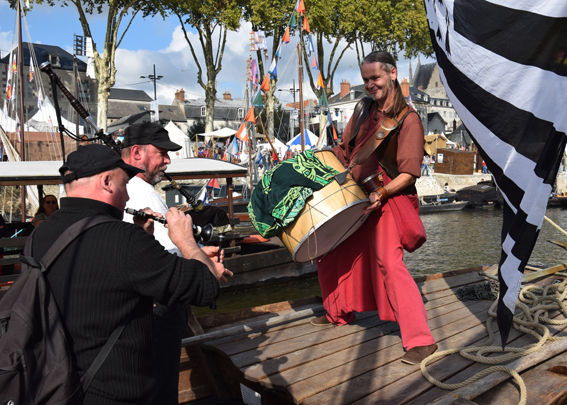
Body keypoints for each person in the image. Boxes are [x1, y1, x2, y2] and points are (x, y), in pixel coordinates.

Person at [31, 144, 230, 404]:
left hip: (58, 387)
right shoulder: (123, 240)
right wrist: (186, 240)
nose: (126, 198)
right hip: (120, 393)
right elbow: (204, 287)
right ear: (106, 181)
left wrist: (144, 236)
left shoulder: (40, 235)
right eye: (124, 185)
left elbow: (108, 287)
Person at [313, 51, 437, 365]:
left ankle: (421, 340)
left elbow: (409, 174)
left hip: (389, 200)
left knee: (389, 264)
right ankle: (338, 312)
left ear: (392, 74)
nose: (370, 85)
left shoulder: (409, 120)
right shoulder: (362, 108)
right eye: (366, 79)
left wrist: (381, 192)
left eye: (375, 78)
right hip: (355, 198)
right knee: (328, 251)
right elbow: (346, 150)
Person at [120, 122, 227, 404]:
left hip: (145, 311)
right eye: (162, 153)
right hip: (157, 312)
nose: (168, 161)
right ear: (136, 153)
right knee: (162, 387)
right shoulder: (138, 191)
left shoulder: (132, 188)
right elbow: (165, 259)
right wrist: (203, 263)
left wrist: (201, 253)